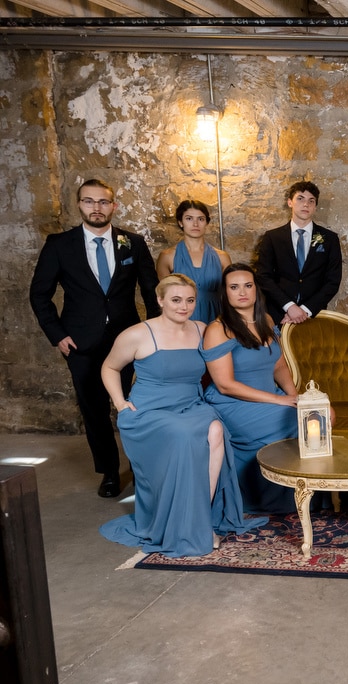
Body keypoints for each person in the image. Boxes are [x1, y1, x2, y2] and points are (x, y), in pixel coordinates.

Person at [98, 274, 267, 558]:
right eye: (176, 300)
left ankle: (198, 518)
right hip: (150, 412)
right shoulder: (138, 333)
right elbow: (109, 368)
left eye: (190, 301)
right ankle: (189, 524)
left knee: (217, 430)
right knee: (186, 436)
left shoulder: (201, 329)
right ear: (160, 300)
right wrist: (119, 402)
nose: (183, 306)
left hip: (190, 405)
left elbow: (239, 348)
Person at [29, 178, 160, 498]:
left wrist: (155, 332)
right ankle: (111, 472)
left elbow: (151, 291)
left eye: (103, 202)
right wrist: (57, 335)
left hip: (128, 341)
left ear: (113, 206)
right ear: (79, 205)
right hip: (80, 343)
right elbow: (39, 294)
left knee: (137, 405)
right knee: (95, 409)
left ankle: (145, 470)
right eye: (89, 201)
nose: (96, 208)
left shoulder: (133, 242)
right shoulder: (59, 244)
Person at [202, 263, 299, 515]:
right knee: (295, 421)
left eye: (248, 285)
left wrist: (294, 395)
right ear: (225, 293)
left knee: (318, 415)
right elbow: (226, 385)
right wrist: (280, 402)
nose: (242, 292)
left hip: (270, 396)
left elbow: (278, 365)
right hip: (234, 403)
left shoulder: (265, 319)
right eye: (234, 287)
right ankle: (264, 499)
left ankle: (305, 496)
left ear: (256, 289)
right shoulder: (218, 329)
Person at [253, 180, 342, 325]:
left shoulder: (330, 239)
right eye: (300, 199)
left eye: (311, 201)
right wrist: (290, 307)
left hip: (314, 315)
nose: (306, 204)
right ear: (290, 202)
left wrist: (305, 310)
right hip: (278, 315)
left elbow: (333, 281)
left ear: (315, 207)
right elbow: (263, 276)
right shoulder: (272, 237)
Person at [155, 199, 232, 324]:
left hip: (217, 317)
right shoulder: (167, 256)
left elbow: (230, 294)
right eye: (189, 218)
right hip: (181, 318)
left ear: (206, 222)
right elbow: (165, 297)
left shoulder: (222, 257)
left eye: (200, 219)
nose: (195, 224)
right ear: (180, 222)